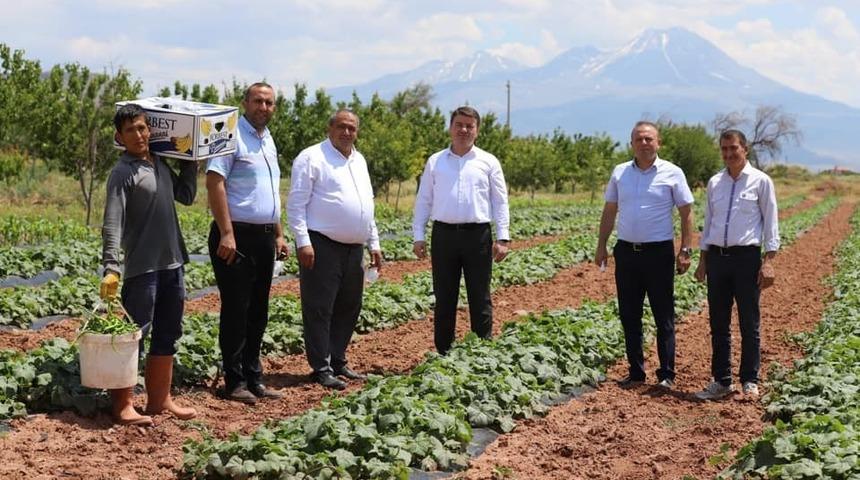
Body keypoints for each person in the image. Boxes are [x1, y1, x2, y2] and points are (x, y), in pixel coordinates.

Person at [100, 103, 198, 426]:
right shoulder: (122, 172)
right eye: (131, 130)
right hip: (143, 267)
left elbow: (185, 195)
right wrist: (111, 267)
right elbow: (112, 223)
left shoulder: (159, 163)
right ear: (120, 136)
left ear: (150, 129)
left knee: (168, 331)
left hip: (173, 263)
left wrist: (191, 160)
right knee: (134, 334)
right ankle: (124, 405)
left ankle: (159, 400)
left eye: (142, 128)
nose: (139, 135)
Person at [287, 109, 383, 390]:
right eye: (341, 127)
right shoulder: (311, 157)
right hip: (321, 244)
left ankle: (338, 359)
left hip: (354, 248)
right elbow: (296, 205)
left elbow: (368, 205)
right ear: (330, 128)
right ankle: (321, 367)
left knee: (349, 305)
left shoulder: (359, 159)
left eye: (352, 128)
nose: (347, 133)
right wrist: (303, 241)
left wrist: (373, 242)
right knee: (319, 307)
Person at [595, 121, 694, 390]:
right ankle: (636, 373)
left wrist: (686, 249)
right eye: (639, 139)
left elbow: (686, 213)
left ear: (658, 143)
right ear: (632, 144)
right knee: (630, 315)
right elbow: (610, 210)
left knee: (663, 315)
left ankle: (666, 375)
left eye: (649, 139)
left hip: (658, 253)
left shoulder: (672, 173)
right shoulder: (620, 173)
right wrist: (601, 244)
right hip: (627, 252)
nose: (644, 143)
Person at [206, 82, 290, 404]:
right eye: (258, 101)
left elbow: (269, 192)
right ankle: (234, 381)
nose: (263, 108)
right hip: (236, 236)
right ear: (245, 103)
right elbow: (215, 183)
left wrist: (279, 232)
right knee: (236, 310)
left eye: (269, 103)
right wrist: (227, 233)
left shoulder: (268, 140)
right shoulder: (230, 136)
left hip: (264, 236)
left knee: (259, 309)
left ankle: (254, 377)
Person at [412, 106, 511, 355]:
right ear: (450, 127)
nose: (464, 130)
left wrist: (503, 237)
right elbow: (424, 199)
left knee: (480, 296)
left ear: (477, 130)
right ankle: (444, 351)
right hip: (443, 235)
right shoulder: (436, 161)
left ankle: (482, 351)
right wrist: (418, 235)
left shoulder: (488, 161)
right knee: (445, 297)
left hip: (477, 236)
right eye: (459, 125)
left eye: (470, 126)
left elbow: (500, 201)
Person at [693, 129, 779, 400]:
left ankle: (750, 380)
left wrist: (769, 261)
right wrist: (703, 260)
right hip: (718, 259)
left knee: (748, 322)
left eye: (734, 148)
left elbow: (771, 223)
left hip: (746, 259)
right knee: (718, 323)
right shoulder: (715, 182)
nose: (729, 154)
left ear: (745, 149)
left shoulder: (760, 181)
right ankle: (721, 380)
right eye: (724, 149)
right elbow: (709, 224)